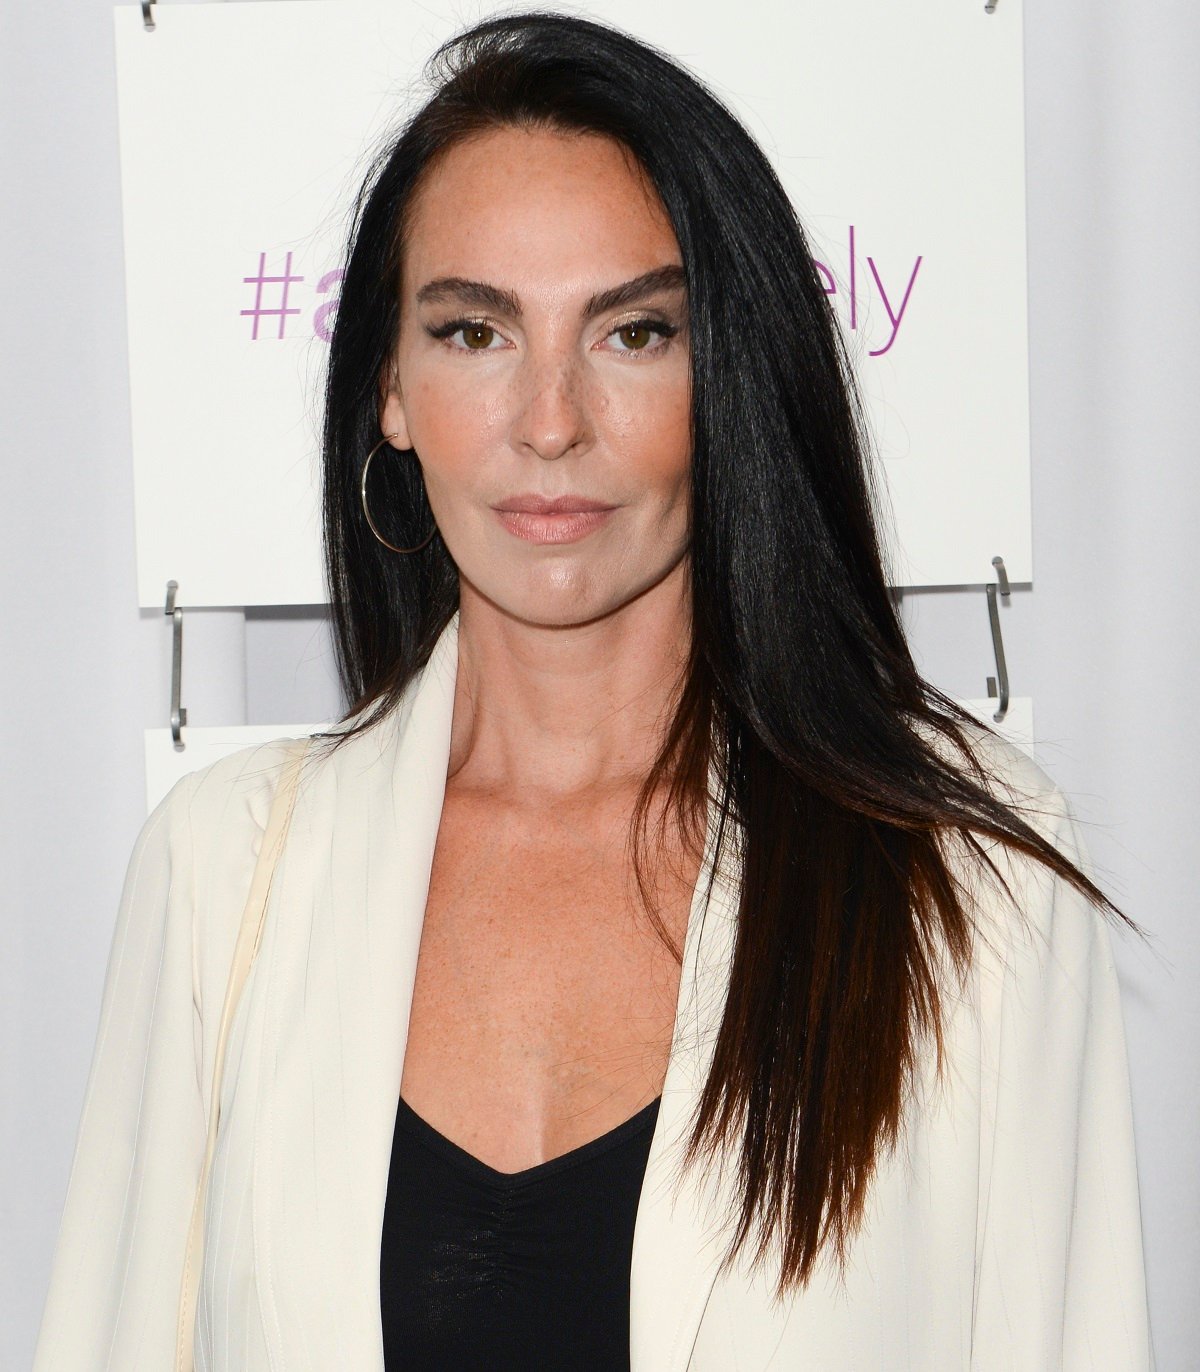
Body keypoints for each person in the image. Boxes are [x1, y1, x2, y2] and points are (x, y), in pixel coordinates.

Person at [33, 10, 1154, 1370]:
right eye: (474, 332)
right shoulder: (223, 875)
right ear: (390, 388)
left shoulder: (971, 886)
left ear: (725, 371)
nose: (551, 422)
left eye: (632, 333)